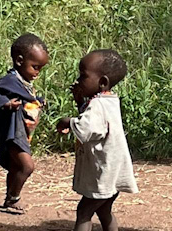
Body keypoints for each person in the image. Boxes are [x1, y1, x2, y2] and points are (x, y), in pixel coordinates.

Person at [57, 49, 138, 231]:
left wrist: (68, 122)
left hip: (103, 174)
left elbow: (86, 129)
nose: (77, 80)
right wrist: (80, 104)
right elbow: (95, 124)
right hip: (112, 171)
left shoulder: (98, 105)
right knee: (104, 211)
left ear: (102, 82)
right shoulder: (109, 101)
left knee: (84, 212)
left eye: (83, 76)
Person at [0, 33, 49, 212]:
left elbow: (27, 98)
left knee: (15, 167)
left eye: (40, 68)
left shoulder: (23, 82)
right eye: (35, 67)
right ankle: (14, 198)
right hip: (12, 132)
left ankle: (9, 198)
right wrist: (5, 104)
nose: (37, 73)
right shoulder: (10, 81)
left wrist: (38, 101)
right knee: (27, 166)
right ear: (19, 61)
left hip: (22, 131)